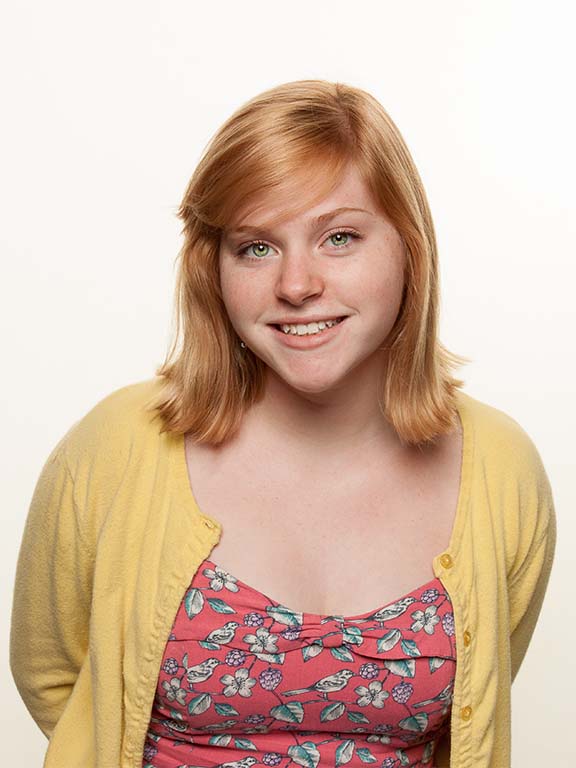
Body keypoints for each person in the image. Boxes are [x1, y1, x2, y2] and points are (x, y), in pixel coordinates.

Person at [10, 79, 556, 768]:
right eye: (256, 247)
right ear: (213, 268)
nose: (296, 285)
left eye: (339, 238)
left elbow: (476, 712)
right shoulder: (117, 448)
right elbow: (57, 682)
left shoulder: (499, 469)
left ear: (409, 248)